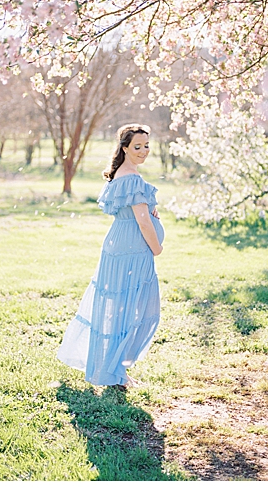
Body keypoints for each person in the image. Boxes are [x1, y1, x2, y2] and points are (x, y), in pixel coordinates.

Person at [57, 123, 164, 389]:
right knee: (132, 311)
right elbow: (141, 220)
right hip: (131, 251)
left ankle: (115, 369)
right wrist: (157, 247)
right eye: (137, 146)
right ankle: (115, 370)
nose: (143, 151)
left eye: (146, 145)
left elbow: (135, 213)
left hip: (120, 247)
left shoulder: (122, 174)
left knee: (120, 309)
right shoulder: (132, 179)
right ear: (125, 148)